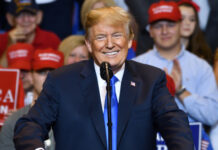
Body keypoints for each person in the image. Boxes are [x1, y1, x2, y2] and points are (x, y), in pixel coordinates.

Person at [14, 6, 194, 150]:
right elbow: (29, 126)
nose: (110, 44)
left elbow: (175, 124)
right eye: (100, 37)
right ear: (88, 45)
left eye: (117, 35)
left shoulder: (151, 79)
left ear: (130, 40)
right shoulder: (62, 80)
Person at [133, 1, 218, 149]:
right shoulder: (136, 66)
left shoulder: (201, 67)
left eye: (171, 24)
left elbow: (212, 116)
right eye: (158, 26)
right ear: (150, 30)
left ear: (180, 27)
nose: (165, 31)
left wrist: (181, 91)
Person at [0, 48, 64, 150]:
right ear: (31, 76)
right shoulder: (14, 120)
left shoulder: (75, 116)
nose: (48, 77)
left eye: (53, 72)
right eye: (42, 72)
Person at [0, 0, 60, 67]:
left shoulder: (51, 39)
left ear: (39, 16)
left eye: (31, 14)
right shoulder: (1, 40)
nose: (26, 19)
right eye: (19, 15)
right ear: (10, 19)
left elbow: (58, 72)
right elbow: (2, 73)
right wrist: (10, 45)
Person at [178, 0, 213, 64]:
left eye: (192, 19)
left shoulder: (203, 55)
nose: (187, 23)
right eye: (182, 19)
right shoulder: (164, 52)